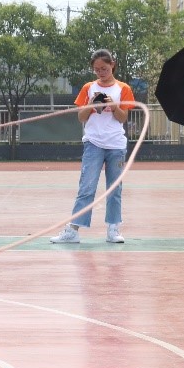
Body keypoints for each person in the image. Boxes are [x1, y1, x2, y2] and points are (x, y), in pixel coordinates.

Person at [51, 48, 135, 244]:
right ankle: (73, 230)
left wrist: (113, 105)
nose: (101, 73)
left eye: (104, 68)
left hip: (116, 145)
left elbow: (122, 118)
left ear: (112, 65)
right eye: (97, 69)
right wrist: (90, 103)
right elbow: (81, 117)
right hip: (93, 143)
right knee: (87, 187)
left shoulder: (123, 88)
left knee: (114, 188)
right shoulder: (88, 87)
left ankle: (113, 228)